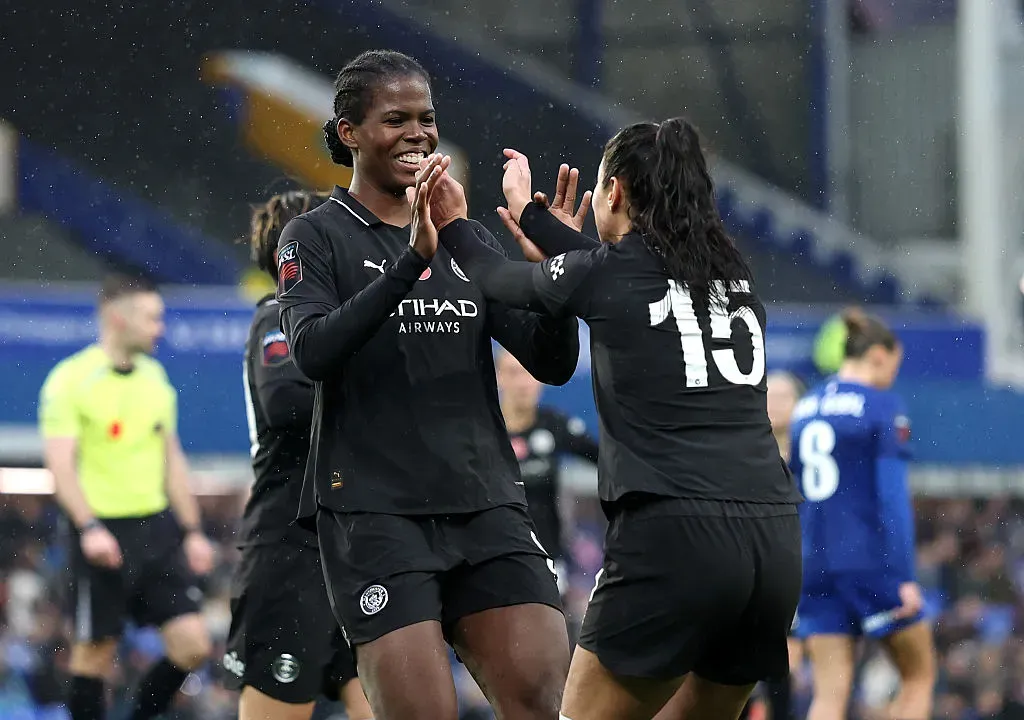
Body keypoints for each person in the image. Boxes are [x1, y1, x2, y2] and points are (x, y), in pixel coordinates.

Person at [423, 116, 803, 720]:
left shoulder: (609, 273)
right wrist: (536, 223)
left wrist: (458, 223)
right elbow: (611, 270)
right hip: (772, 543)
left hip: (676, 536)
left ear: (616, 192)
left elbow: (498, 278)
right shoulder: (734, 277)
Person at [276, 50, 580, 720]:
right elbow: (313, 352)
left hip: (486, 503)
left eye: (427, 118)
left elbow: (549, 362)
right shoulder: (315, 236)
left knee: (543, 702)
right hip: (375, 516)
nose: (419, 133)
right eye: (397, 119)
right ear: (350, 132)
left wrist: (554, 283)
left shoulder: (463, 239)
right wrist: (409, 261)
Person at [223, 191, 373, 720]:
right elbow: (286, 401)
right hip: (289, 552)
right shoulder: (276, 319)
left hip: (344, 552)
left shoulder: (332, 325)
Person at [38, 274, 214, 720]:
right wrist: (90, 528)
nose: (161, 328)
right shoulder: (70, 380)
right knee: (94, 656)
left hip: (156, 529)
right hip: (100, 533)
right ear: (118, 318)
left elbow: (171, 459)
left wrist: (192, 531)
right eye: (152, 318)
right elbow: (60, 467)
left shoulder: (155, 377)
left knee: (193, 644)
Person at [787, 308, 936, 720]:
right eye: (894, 364)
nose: (893, 375)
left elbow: (794, 492)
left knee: (829, 695)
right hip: (870, 562)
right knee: (918, 676)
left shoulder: (806, 408)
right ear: (878, 356)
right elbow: (891, 499)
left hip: (815, 564)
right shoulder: (881, 407)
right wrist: (903, 576)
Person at [496, 348, 599, 599]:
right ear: (498, 377)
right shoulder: (484, 431)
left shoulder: (554, 424)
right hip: (493, 560)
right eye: (514, 373)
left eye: (530, 373)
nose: (524, 383)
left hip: (548, 560)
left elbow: (606, 461)